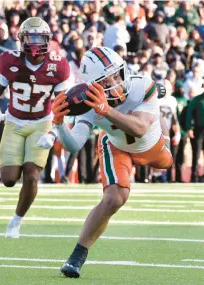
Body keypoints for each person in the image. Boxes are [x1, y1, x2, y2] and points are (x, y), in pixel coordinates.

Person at [38, 47, 173, 277]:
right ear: (92, 85)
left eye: (117, 74)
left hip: (150, 144)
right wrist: (60, 124)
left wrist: (107, 111)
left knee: (166, 162)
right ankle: (76, 257)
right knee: (115, 198)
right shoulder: (87, 103)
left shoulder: (142, 86)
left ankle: (162, 126)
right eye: (105, 80)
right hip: (116, 146)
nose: (115, 82)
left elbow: (140, 129)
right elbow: (75, 145)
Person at [0, 17, 70, 238]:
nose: (36, 42)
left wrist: (54, 132)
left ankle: (16, 221)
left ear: (48, 39)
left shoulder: (58, 66)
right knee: (9, 179)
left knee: (31, 174)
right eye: (32, 36)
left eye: (41, 37)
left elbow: (63, 104)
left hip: (42, 122)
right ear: (21, 38)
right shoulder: (8, 61)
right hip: (14, 122)